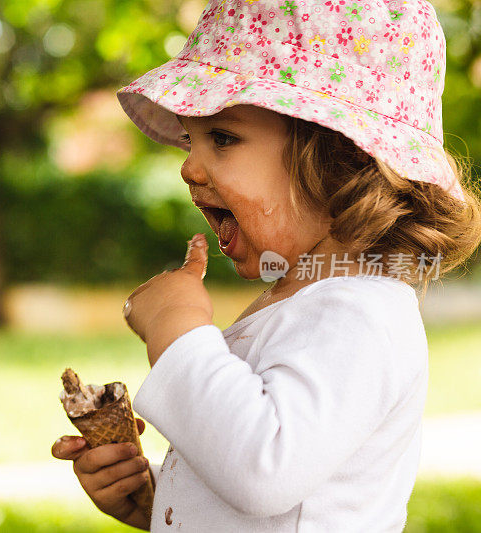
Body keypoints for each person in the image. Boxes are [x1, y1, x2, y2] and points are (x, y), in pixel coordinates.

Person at [52, 0, 481, 530]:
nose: (188, 166)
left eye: (223, 138)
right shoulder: (304, 300)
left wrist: (177, 331)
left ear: (335, 160)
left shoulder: (361, 314)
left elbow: (264, 468)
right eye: (191, 138)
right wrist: (155, 500)